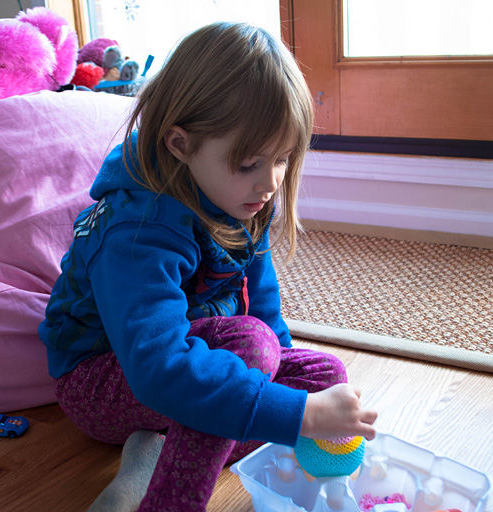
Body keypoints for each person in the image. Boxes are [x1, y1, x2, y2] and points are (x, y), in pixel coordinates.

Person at [38, 21, 378, 512]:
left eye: (282, 160)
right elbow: (156, 368)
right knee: (253, 352)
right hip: (105, 381)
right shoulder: (136, 232)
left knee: (325, 375)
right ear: (180, 144)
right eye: (249, 164)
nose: (270, 184)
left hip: (195, 352)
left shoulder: (245, 201)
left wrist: (299, 397)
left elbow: (262, 310)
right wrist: (298, 414)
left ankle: (162, 450)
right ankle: (168, 497)